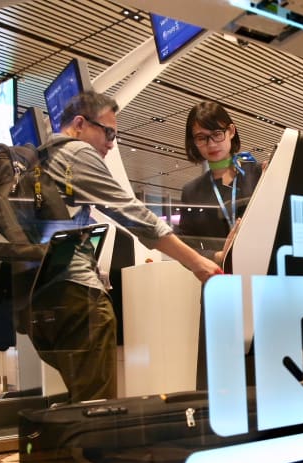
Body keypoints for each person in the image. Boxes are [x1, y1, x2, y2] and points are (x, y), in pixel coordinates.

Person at [28, 90, 220, 403]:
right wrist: (196, 262)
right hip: (77, 296)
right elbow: (133, 215)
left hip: (42, 297)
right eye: (108, 132)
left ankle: (70, 451)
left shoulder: (43, 158)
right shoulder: (76, 152)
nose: (111, 142)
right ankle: (90, 452)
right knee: (96, 404)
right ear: (79, 124)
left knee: (80, 399)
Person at [179, 100, 263, 264]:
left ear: (231, 131)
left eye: (217, 134)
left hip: (262, 274)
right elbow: (184, 245)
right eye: (201, 137)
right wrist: (216, 257)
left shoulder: (259, 174)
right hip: (217, 277)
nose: (211, 144)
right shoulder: (191, 191)